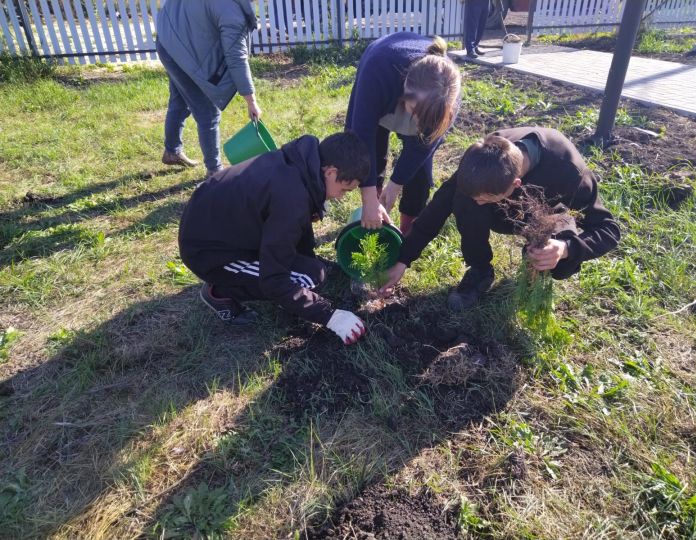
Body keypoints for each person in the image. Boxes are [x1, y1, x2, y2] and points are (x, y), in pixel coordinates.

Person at [378, 127, 621, 310]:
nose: (479, 202)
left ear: (516, 184)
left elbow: (609, 229)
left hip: (547, 215)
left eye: (486, 198)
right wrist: (404, 259)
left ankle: (541, 264)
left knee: (557, 254)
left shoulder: (569, 172)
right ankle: (480, 271)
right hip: (506, 211)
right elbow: (438, 207)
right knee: (464, 199)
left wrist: (565, 248)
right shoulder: (481, 158)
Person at [178, 132, 371, 345]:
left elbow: (294, 229)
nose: (340, 197)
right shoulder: (292, 201)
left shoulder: (297, 164)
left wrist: (308, 259)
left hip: (220, 228)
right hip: (209, 253)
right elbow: (274, 280)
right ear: (331, 172)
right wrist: (329, 316)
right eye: (344, 189)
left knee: (312, 270)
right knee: (307, 278)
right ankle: (219, 291)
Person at [345, 32, 462, 236]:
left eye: (423, 119)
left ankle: (406, 230)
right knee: (374, 152)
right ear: (406, 87)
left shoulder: (447, 95)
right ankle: (376, 210)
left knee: (419, 173)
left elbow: (421, 149)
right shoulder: (378, 70)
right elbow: (362, 136)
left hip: (422, 98)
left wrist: (396, 184)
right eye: (414, 112)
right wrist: (369, 199)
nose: (416, 123)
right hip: (382, 68)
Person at [155, 0, 262, 179]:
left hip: (167, 39)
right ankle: (215, 171)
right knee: (208, 112)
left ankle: (172, 151)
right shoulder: (232, 12)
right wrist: (251, 101)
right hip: (177, 44)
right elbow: (236, 57)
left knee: (180, 100)